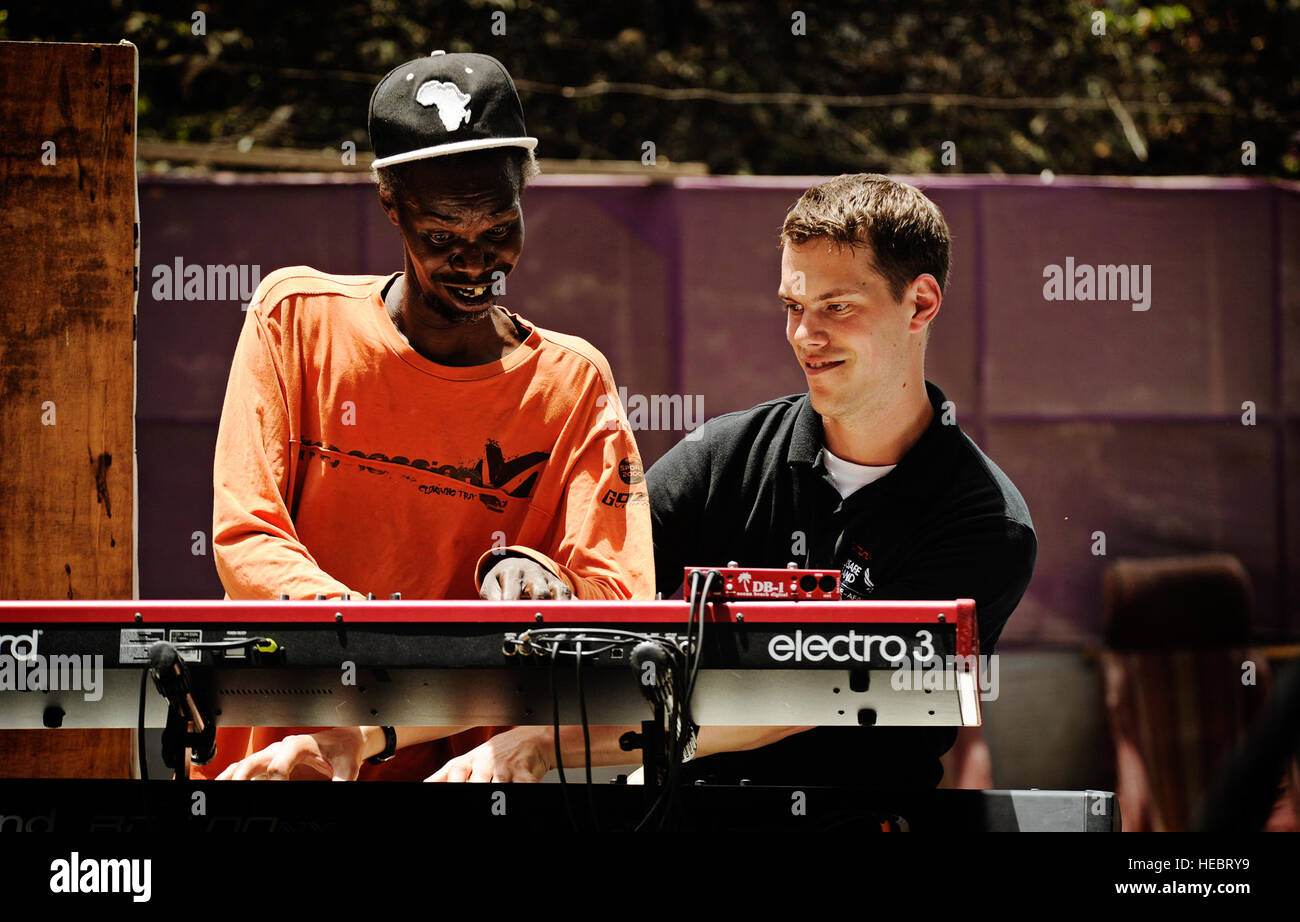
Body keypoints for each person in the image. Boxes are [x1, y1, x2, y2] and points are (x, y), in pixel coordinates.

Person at [427, 173, 1035, 788]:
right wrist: (540, 579)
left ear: (921, 304)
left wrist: (546, 746)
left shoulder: (986, 522)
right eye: (793, 307)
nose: (805, 335)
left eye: (837, 307)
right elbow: (608, 593)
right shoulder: (722, 455)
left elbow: (826, 691)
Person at [195, 51, 653, 782]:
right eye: (442, 236)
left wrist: (537, 576)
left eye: (499, 229)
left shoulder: (574, 383)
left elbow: (621, 604)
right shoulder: (295, 321)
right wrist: (387, 637)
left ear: (525, 194)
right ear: (391, 204)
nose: (477, 262)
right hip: (288, 768)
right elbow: (248, 542)